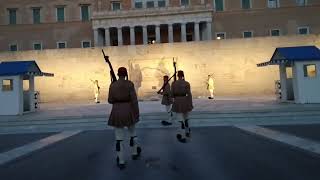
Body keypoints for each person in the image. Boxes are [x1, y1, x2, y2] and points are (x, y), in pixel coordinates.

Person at [108, 67, 141, 170]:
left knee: (119, 138)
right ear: (126, 74)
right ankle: (135, 152)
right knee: (133, 134)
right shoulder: (130, 84)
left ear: (118, 74)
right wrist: (136, 113)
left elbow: (110, 100)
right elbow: (134, 100)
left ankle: (121, 160)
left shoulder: (113, 85)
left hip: (117, 111)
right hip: (128, 110)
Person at [171, 70, 193, 143]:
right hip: (185, 100)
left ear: (177, 75)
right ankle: (187, 132)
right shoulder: (187, 83)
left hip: (177, 101)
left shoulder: (174, 83)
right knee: (186, 118)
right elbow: (189, 94)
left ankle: (182, 135)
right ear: (183, 75)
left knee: (180, 120)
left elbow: (172, 94)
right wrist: (190, 103)